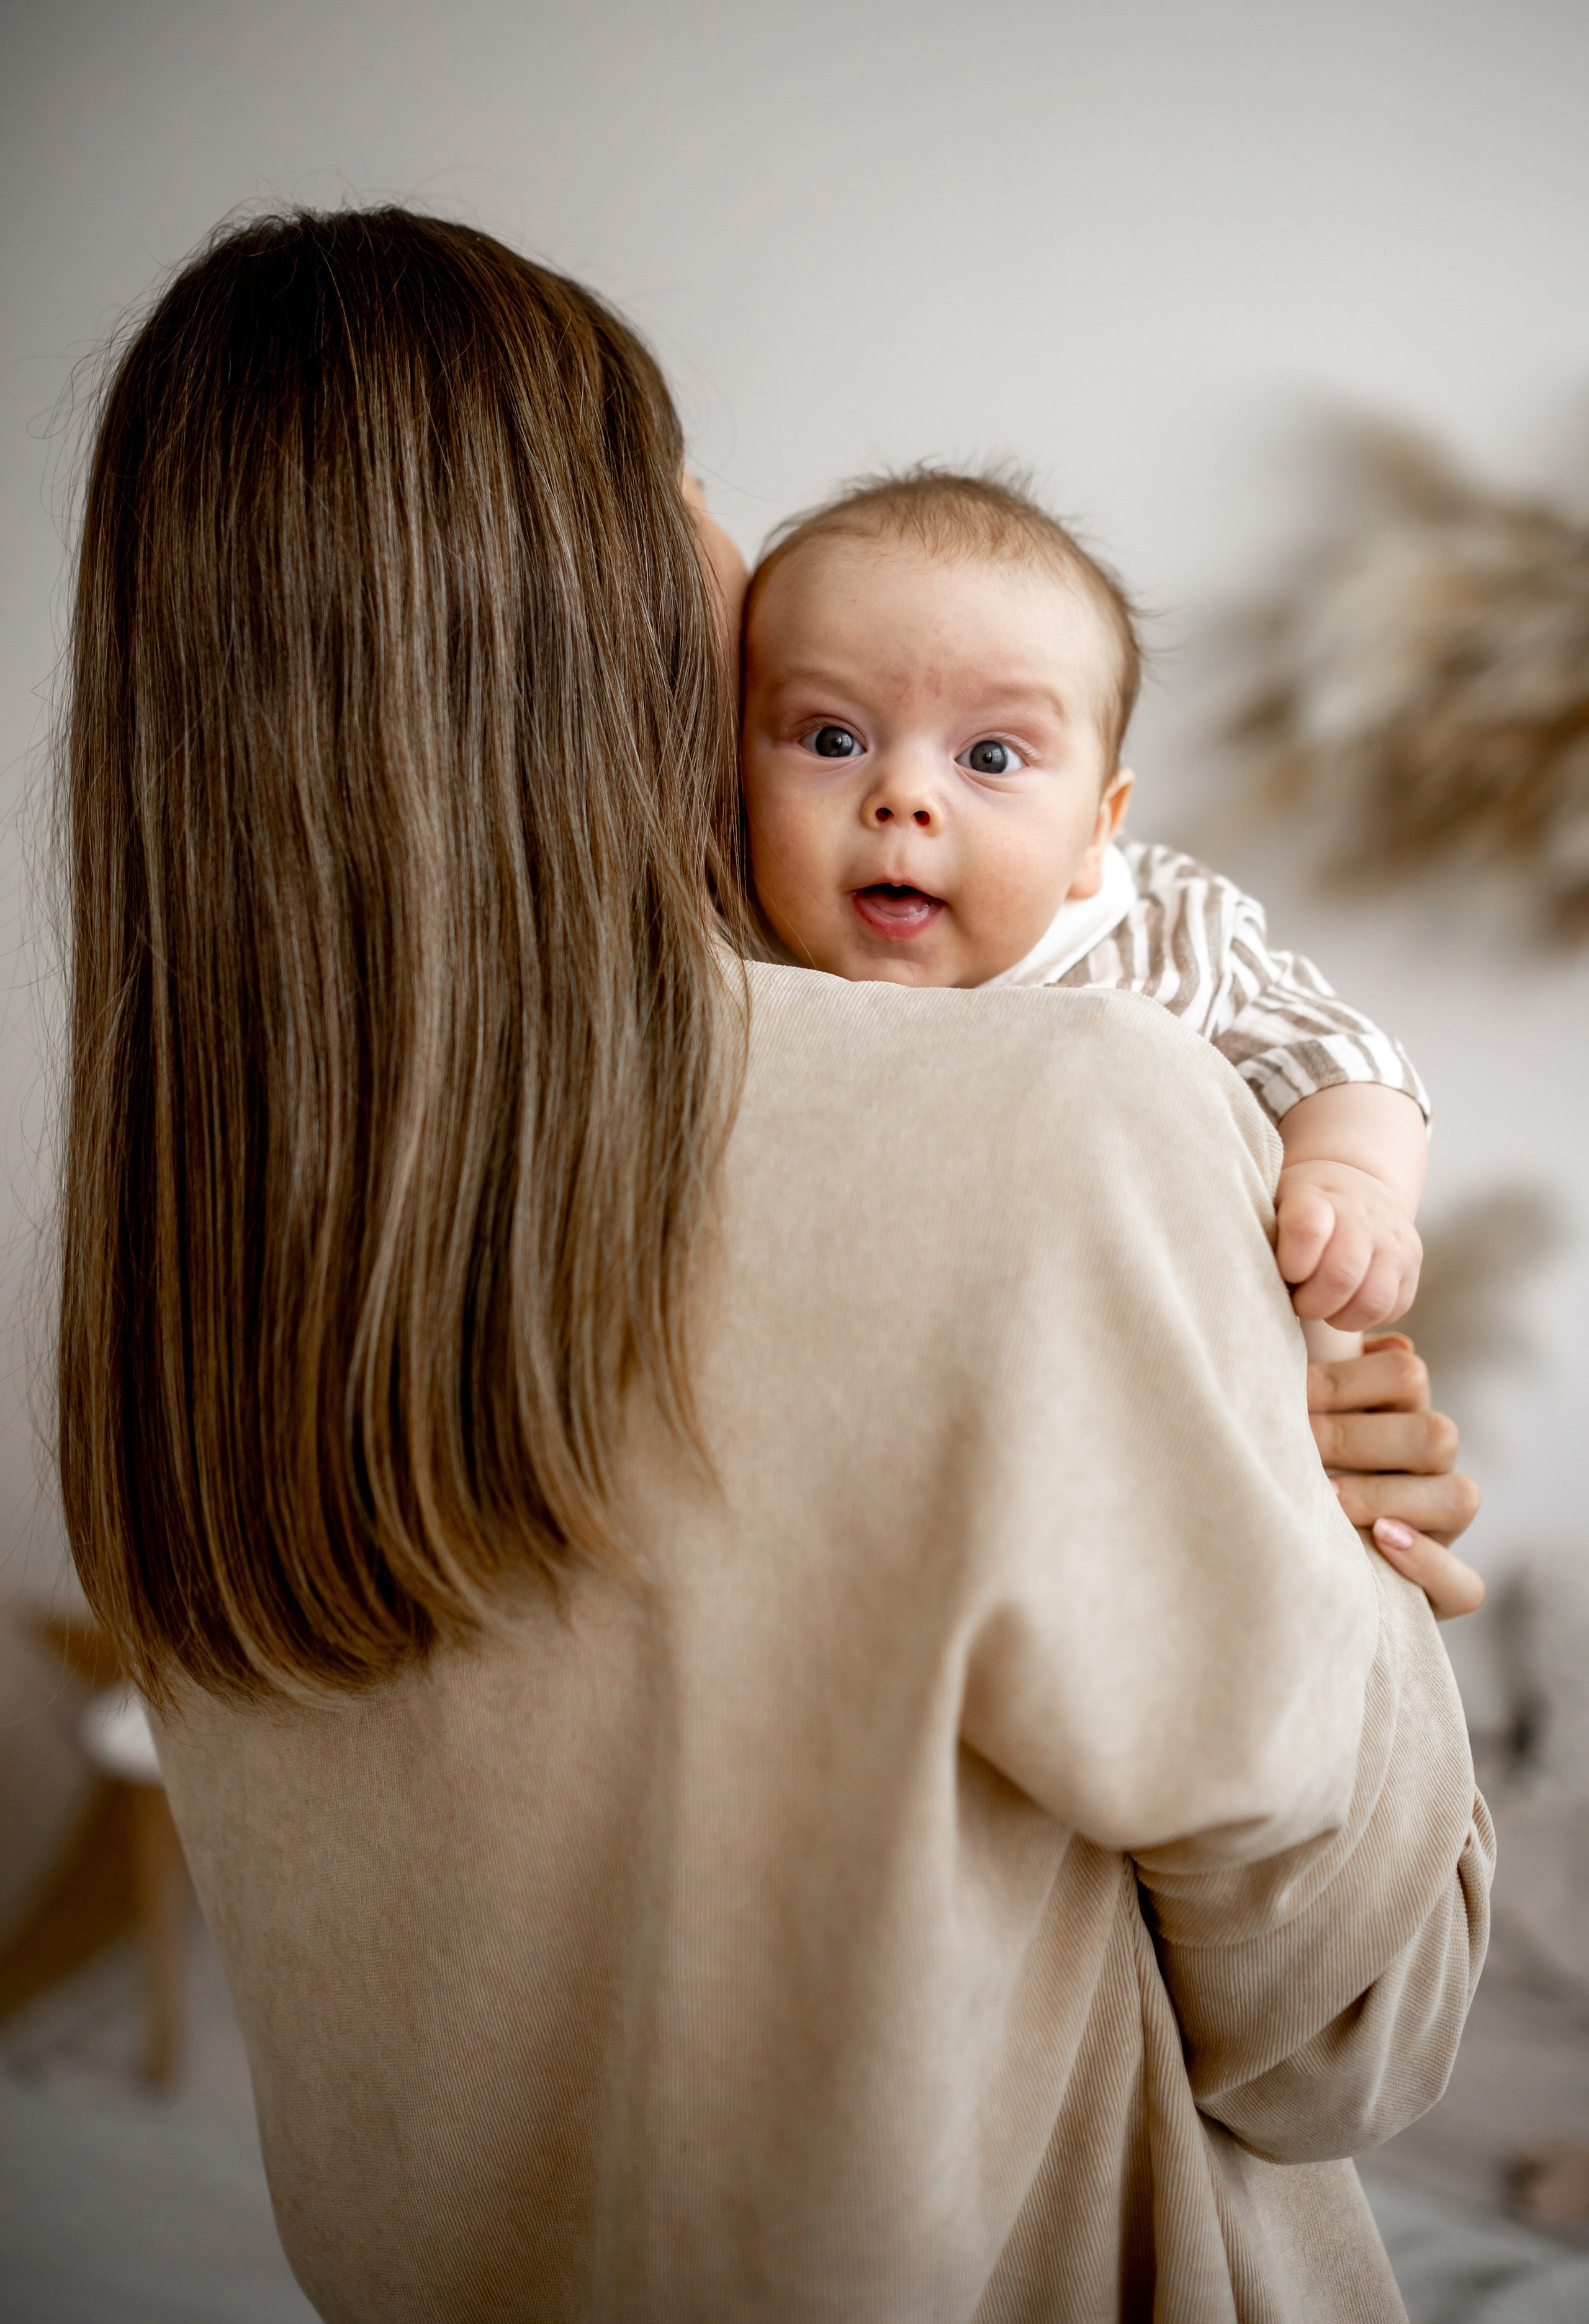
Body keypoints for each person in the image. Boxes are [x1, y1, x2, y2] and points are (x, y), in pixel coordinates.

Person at [59, 206, 1488, 2322]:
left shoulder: (162, 1287)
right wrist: (1327, 1524)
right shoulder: (1063, 1117)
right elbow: (1356, 2029)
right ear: (612, 590)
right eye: (678, 476)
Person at [739, 469, 1428, 1342]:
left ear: (1096, 830)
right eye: (833, 739)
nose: (905, 796)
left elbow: (1337, 1054)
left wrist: (1351, 1179)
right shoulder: (736, 934)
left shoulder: (1168, 937)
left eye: (989, 757)